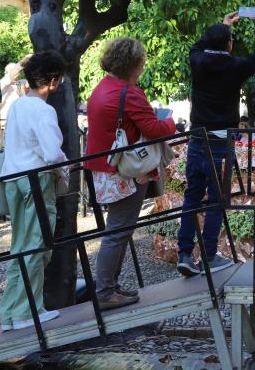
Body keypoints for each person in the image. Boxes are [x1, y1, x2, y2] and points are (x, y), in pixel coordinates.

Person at [177, 7, 255, 276]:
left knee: (191, 197)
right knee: (216, 199)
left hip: (197, 139)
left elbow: (198, 46)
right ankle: (208, 255)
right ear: (230, 44)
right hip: (220, 143)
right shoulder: (235, 66)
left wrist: (222, 25)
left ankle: (184, 252)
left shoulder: (197, 61)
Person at [85, 38, 176, 310]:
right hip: (123, 172)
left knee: (118, 230)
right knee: (118, 231)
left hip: (103, 168)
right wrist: (170, 121)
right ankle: (104, 291)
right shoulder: (129, 92)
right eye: (142, 63)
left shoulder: (102, 88)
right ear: (133, 64)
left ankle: (110, 287)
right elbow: (155, 129)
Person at [0, 51, 67, 331]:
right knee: (37, 246)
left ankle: (11, 313)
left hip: (13, 179)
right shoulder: (43, 109)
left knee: (20, 247)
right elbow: (52, 154)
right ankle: (29, 311)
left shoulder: (17, 105)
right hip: (35, 181)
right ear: (53, 81)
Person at [0, 59, 30, 134]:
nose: (17, 73)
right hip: (8, 117)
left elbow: (31, 83)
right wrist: (21, 63)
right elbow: (10, 77)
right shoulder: (4, 81)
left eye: (18, 72)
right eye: (15, 71)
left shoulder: (21, 81)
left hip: (20, 117)